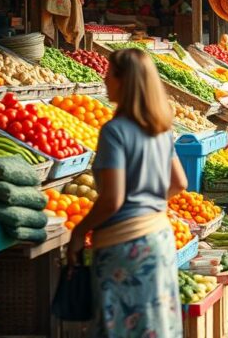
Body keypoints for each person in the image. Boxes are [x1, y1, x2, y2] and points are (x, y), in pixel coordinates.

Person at [67, 48, 187, 337]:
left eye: (109, 74)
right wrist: (150, 206)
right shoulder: (161, 128)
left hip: (124, 246)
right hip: (159, 238)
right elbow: (179, 183)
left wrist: (78, 232)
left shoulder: (114, 131)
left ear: (124, 81)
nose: (105, 79)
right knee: (155, 325)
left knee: (120, 326)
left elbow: (112, 199)